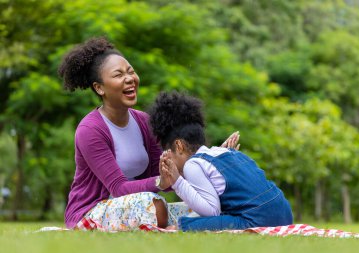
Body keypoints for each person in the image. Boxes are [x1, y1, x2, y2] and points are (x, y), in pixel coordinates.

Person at [58, 37, 239, 231]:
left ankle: (174, 226)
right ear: (99, 87)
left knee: (209, 206)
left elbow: (165, 174)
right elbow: (119, 188)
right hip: (92, 212)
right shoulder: (91, 130)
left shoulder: (143, 121)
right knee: (153, 204)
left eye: (131, 71)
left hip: (138, 206)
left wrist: (210, 160)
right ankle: (172, 226)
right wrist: (161, 181)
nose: (129, 78)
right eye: (118, 75)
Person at [149, 91, 293, 231]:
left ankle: (180, 227)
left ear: (178, 146)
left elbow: (212, 212)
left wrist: (177, 181)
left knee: (189, 223)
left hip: (258, 219)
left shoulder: (192, 165)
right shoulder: (224, 152)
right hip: (285, 213)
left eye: (168, 153)